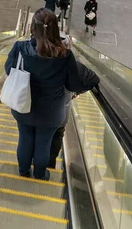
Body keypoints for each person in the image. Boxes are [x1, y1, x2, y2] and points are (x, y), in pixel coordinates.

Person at [4, 8, 89, 180]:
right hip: (51, 111)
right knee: (43, 144)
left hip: (23, 105)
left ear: (32, 28)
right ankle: (41, 174)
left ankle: (23, 171)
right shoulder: (65, 55)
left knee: (25, 138)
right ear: (54, 29)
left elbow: (9, 70)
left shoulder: (20, 48)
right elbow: (72, 84)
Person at [49, 34, 100, 169]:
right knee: (57, 135)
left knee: (40, 136)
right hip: (61, 112)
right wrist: (76, 92)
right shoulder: (75, 66)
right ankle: (50, 164)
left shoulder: (43, 60)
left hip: (41, 110)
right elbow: (93, 80)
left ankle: (37, 166)